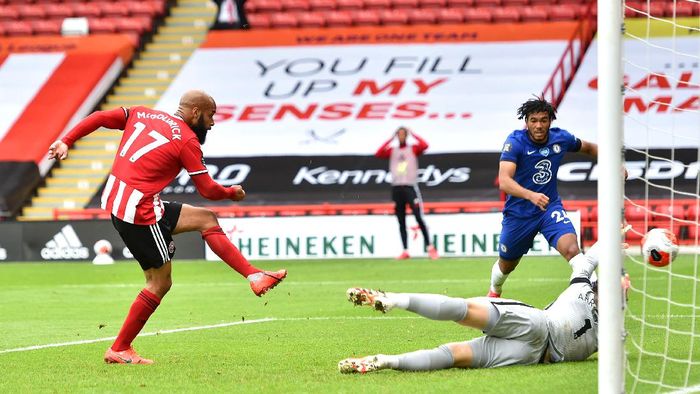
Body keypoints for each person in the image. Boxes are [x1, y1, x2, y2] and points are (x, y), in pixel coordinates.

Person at [47, 90, 287, 365]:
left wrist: (67, 140)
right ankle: (120, 348)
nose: (212, 123)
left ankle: (254, 276)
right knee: (160, 282)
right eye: (211, 116)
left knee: (205, 219)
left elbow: (101, 117)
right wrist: (231, 192)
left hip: (123, 198)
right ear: (195, 112)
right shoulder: (187, 141)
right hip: (138, 211)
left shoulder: (142, 113)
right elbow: (208, 189)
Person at [338, 241, 611, 374]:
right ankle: (392, 309)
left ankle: (386, 359)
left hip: (534, 343)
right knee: (459, 326)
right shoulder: (586, 291)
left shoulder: (606, 324)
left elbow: (588, 265)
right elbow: (587, 261)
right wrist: (613, 237)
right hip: (539, 343)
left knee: (456, 340)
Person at [489, 97, 598, 297]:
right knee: (507, 265)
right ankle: (495, 291)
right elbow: (504, 181)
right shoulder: (515, 142)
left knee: (572, 249)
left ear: (550, 121)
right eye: (533, 120)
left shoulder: (561, 138)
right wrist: (530, 195)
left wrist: (615, 162)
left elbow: (590, 148)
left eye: (543, 120)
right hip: (519, 214)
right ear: (526, 122)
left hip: (549, 208)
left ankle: (598, 295)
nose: (539, 125)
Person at [375, 127, 438, 260]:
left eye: (404, 134)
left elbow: (425, 145)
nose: (402, 136)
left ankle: (430, 247)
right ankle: (405, 250)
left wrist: (414, 134)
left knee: (418, 217)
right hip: (397, 188)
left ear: (407, 135)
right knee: (401, 220)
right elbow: (379, 153)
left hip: (410, 187)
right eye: (399, 134)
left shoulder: (412, 149)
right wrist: (390, 139)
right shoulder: (393, 150)